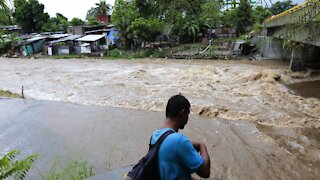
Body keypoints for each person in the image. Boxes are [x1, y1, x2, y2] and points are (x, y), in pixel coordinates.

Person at [151, 94, 211, 180]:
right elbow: (205, 172)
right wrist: (202, 146)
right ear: (182, 113)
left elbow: (169, 165)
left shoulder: (156, 135)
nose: (187, 118)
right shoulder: (179, 141)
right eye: (188, 114)